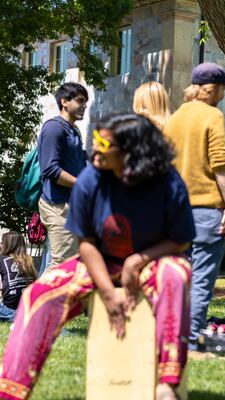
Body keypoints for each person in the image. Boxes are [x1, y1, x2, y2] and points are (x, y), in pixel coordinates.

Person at [0, 114, 195, 400]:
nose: (95, 149)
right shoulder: (90, 178)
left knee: (175, 276)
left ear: (132, 151)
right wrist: (107, 290)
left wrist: (137, 260)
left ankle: (167, 382)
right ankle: (11, 393)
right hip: (99, 260)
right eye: (95, 140)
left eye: (105, 143)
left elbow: (181, 240)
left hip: (156, 259)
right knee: (38, 294)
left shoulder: (166, 180)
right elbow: (86, 243)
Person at [164, 62, 225, 352]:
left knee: (178, 280)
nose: (223, 94)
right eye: (222, 88)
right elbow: (219, 161)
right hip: (206, 211)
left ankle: (171, 338)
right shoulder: (212, 115)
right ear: (213, 88)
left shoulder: (175, 118)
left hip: (175, 212)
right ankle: (191, 341)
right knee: (202, 281)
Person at [37, 82, 88, 269]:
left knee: (72, 263)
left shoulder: (73, 130)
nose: (84, 106)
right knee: (61, 265)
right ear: (64, 101)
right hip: (57, 206)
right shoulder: (54, 128)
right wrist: (82, 184)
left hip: (70, 206)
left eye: (85, 102)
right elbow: (50, 169)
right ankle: (39, 298)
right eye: (80, 101)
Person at [0, 231, 37, 321]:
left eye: (2, 242)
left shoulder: (1, 260)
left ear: (7, 245)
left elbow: (1, 287)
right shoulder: (29, 261)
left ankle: (15, 316)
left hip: (9, 307)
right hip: (28, 307)